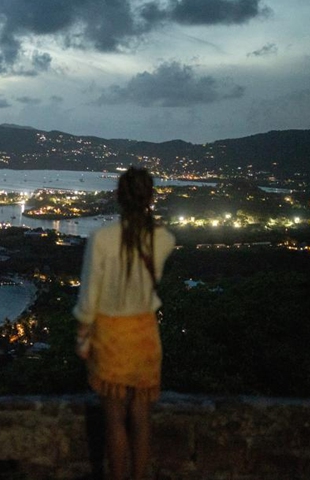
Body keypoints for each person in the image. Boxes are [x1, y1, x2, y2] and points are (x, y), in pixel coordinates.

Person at [73, 166, 175, 480]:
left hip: (111, 334)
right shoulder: (164, 240)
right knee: (141, 416)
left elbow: (90, 296)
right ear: (151, 197)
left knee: (114, 418)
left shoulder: (101, 239)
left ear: (118, 197)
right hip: (145, 333)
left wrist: (82, 335)